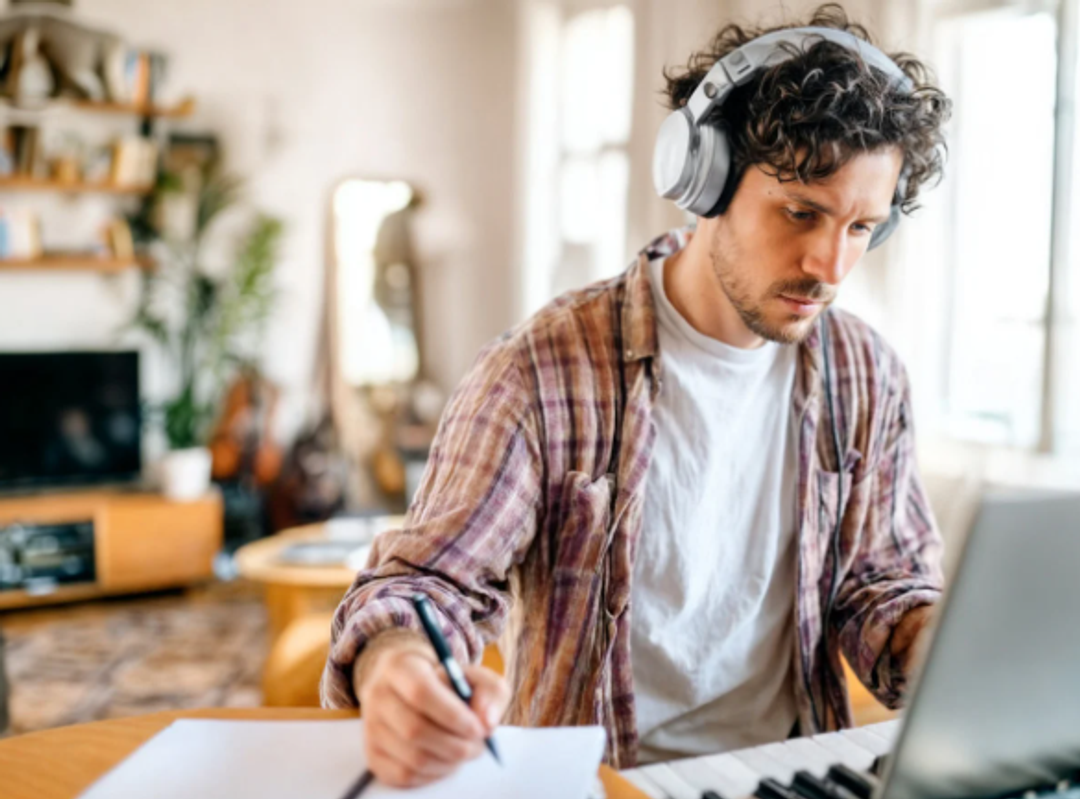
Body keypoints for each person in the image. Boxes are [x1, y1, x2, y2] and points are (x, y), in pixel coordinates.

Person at [321, 3, 952, 788]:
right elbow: (425, 587)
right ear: (704, 180)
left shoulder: (867, 374)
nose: (830, 266)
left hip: (789, 777)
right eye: (801, 213)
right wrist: (397, 668)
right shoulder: (540, 372)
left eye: (861, 228)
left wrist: (939, 638)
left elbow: (880, 588)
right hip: (603, 782)